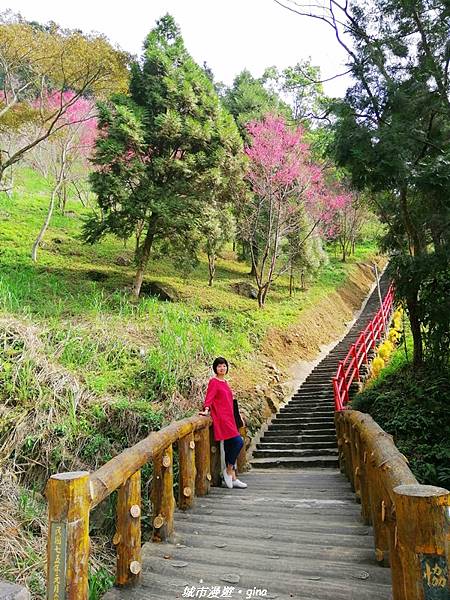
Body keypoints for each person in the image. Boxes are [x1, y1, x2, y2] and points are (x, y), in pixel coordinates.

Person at [199, 357, 247, 489]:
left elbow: (230, 402)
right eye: (219, 366)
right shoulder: (214, 382)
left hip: (230, 418)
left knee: (230, 446)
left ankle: (233, 478)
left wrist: (238, 417)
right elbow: (209, 397)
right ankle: (229, 470)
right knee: (238, 442)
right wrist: (206, 410)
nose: (222, 368)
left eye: (224, 366)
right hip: (221, 418)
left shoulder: (225, 382)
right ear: (215, 368)